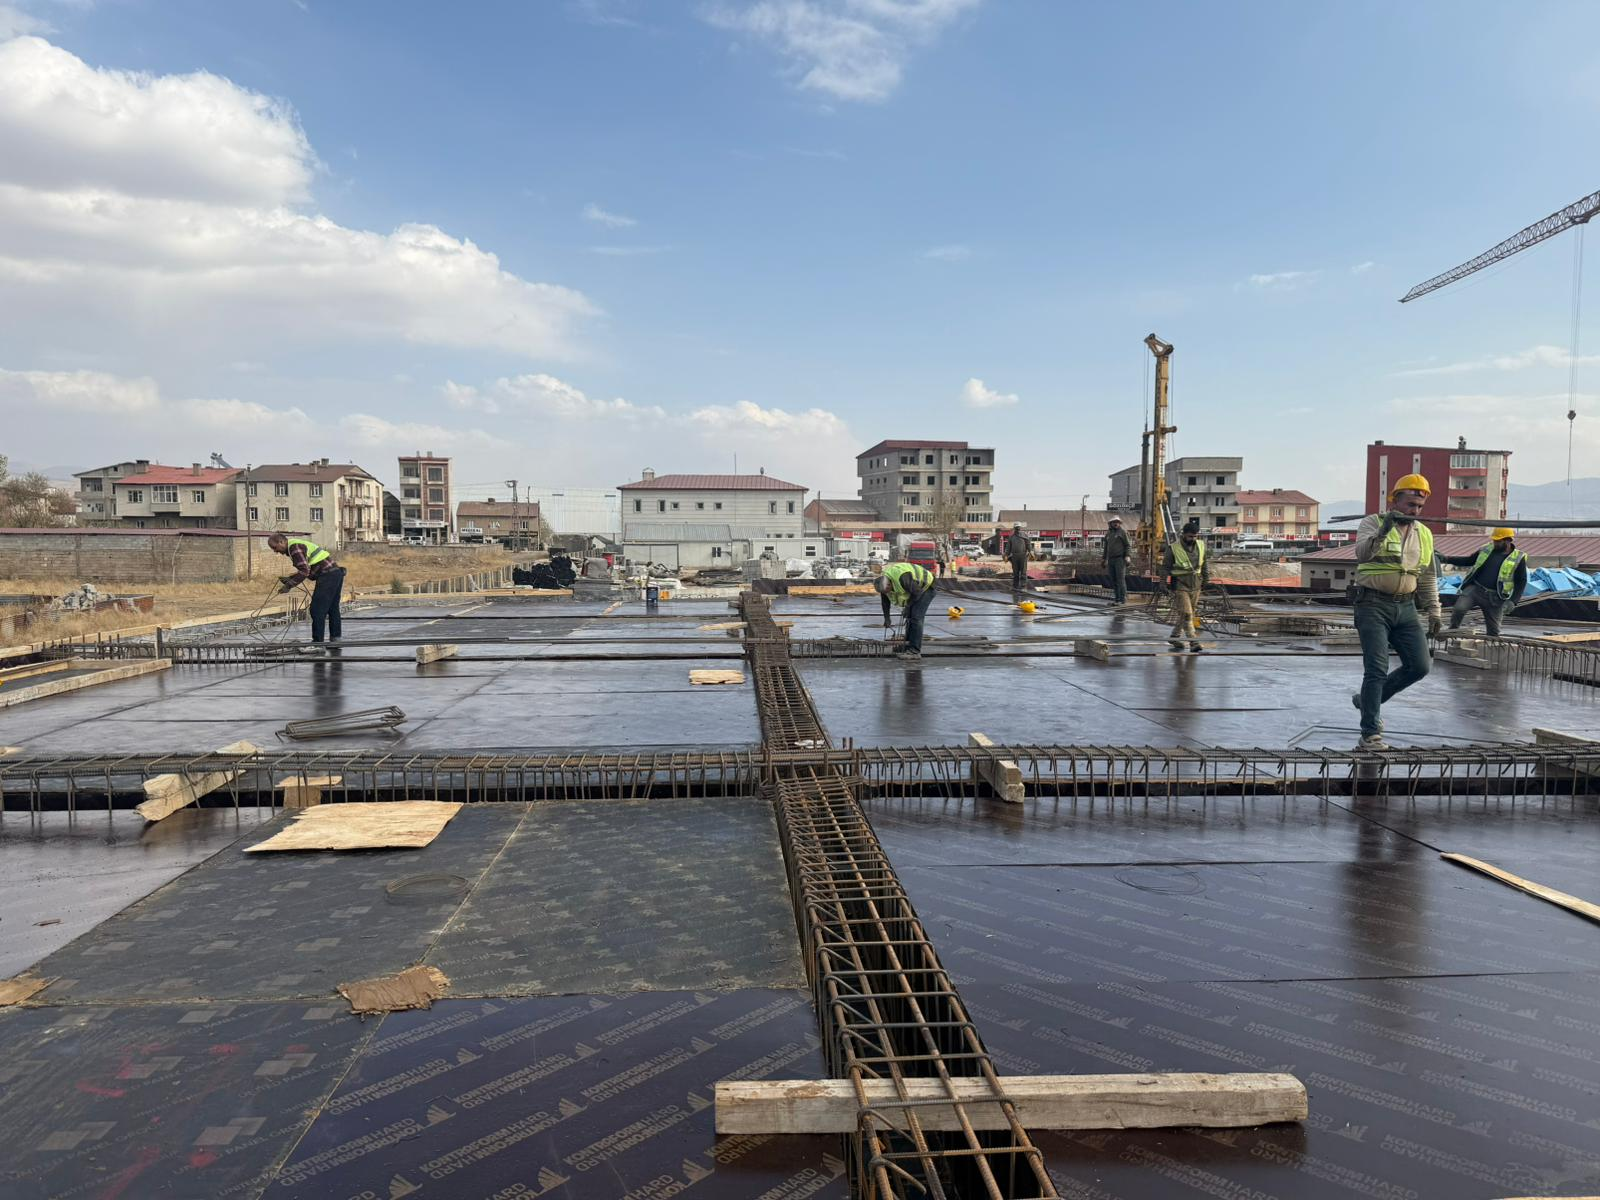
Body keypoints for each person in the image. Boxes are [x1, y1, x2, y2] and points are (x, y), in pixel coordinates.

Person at [1351, 474, 1442, 750]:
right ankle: (1370, 732)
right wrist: (1383, 531)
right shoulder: (1373, 523)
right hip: (1372, 605)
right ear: (1395, 500)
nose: (1414, 511)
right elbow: (1362, 554)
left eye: (1419, 506)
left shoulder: (1423, 534)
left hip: (1405, 607)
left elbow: (1426, 576)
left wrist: (1435, 611)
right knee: (1376, 668)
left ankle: (1367, 701)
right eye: (1410, 504)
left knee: (1420, 666)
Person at [1441, 528, 1527, 637]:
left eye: (1497, 541)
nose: (1494, 543)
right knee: (1459, 608)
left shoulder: (1518, 558)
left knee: (1493, 632)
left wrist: (1513, 601)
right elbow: (1469, 561)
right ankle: (1452, 631)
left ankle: (1490, 648)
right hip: (1475, 589)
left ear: (1507, 541)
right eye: (1494, 540)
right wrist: (1447, 559)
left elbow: (1521, 581)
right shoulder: (1486, 549)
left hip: (1496, 598)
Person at [268, 532, 346, 647]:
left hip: (327, 576)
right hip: (335, 573)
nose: (275, 551)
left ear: (281, 542)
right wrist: (291, 578)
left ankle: (317, 643)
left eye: (275, 547)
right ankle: (335, 639)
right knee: (332, 607)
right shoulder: (296, 545)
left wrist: (289, 585)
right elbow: (307, 569)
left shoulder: (294, 548)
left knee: (317, 609)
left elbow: (304, 571)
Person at [875, 561, 937, 661]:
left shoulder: (902, 578)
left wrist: (908, 607)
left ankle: (914, 651)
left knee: (916, 617)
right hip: (915, 590)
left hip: (927, 587)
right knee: (909, 617)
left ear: (889, 584)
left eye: (888, 591)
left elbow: (917, 593)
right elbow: (885, 602)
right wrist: (887, 618)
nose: (888, 593)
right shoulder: (883, 583)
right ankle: (908, 646)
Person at [1161, 524, 1207, 653]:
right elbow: (1165, 568)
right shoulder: (1173, 548)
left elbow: (1204, 563)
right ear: (1183, 534)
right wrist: (1163, 583)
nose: (1193, 539)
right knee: (1187, 614)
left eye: (1195, 536)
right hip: (1180, 585)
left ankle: (1174, 637)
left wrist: (1206, 579)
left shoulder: (1200, 545)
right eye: (1190, 536)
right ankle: (1194, 642)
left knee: (1187, 614)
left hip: (1196, 584)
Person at [1103, 515, 1131, 604]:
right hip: (1111, 559)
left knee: (1120, 579)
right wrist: (1104, 559)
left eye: (1117, 522)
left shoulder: (1122, 532)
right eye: (1114, 522)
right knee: (1113, 579)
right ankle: (1117, 599)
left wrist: (1127, 555)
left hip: (1120, 559)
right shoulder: (1108, 534)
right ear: (1110, 523)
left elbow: (1128, 545)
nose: (1116, 524)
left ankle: (1123, 599)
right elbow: (1106, 547)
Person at [1006, 522, 1032, 590]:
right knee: (1015, 573)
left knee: (1023, 572)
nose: (1018, 529)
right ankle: (1015, 586)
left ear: (1020, 528)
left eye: (1018, 528)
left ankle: (1023, 587)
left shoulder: (1024, 535)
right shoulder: (1011, 537)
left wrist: (1030, 551)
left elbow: (1028, 543)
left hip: (1023, 556)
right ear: (1014, 528)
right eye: (1016, 528)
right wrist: (1006, 554)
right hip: (1014, 556)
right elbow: (1008, 547)